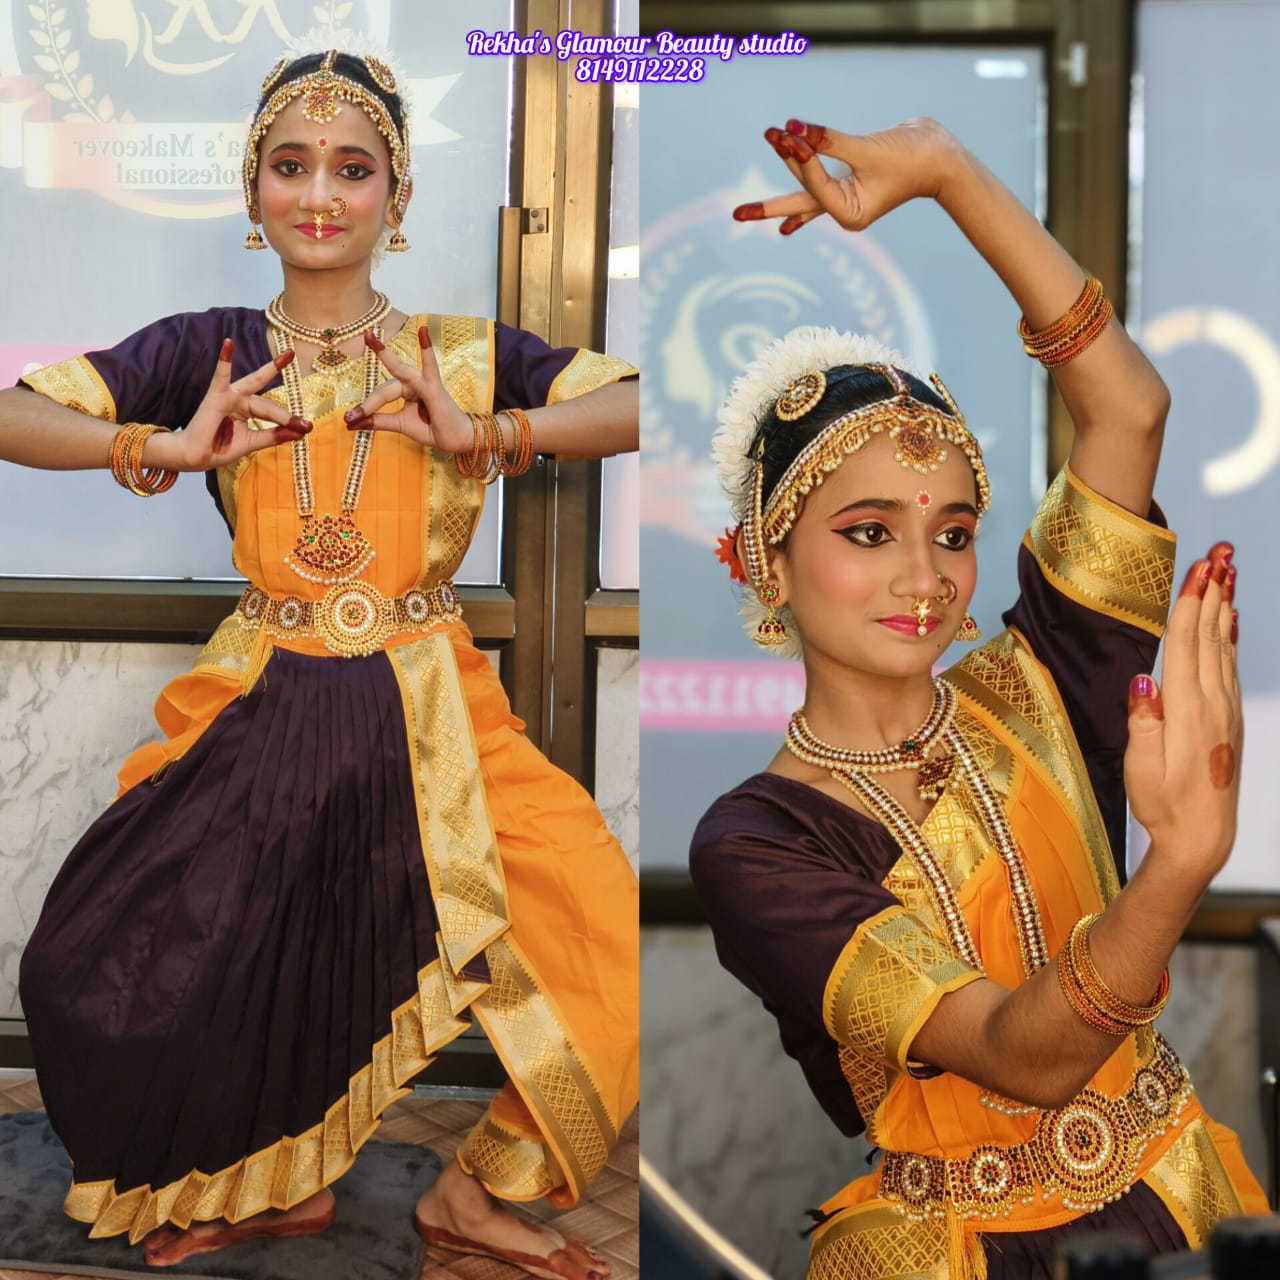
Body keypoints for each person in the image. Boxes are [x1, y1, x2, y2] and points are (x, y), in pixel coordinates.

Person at [2, 42, 636, 1280]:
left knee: (596, 915)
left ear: (396, 196)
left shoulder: (457, 350)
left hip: (433, 702)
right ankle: (264, 1184)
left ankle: (473, 1191)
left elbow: (640, 402)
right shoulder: (209, 348)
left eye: (353, 168)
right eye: (289, 165)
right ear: (252, 191)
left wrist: (491, 428)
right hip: (265, 693)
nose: (319, 194)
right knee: (169, 953)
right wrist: (161, 446)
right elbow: (15, 412)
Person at [690, 116, 1266, 1279]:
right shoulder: (757, 841)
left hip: (1179, 1198)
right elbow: (1019, 1053)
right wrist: (1175, 865)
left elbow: (1127, 409)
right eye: (867, 531)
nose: (924, 576)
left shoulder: (1038, 682)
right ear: (760, 558)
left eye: (951, 532)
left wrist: (946, 171)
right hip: (962, 1251)